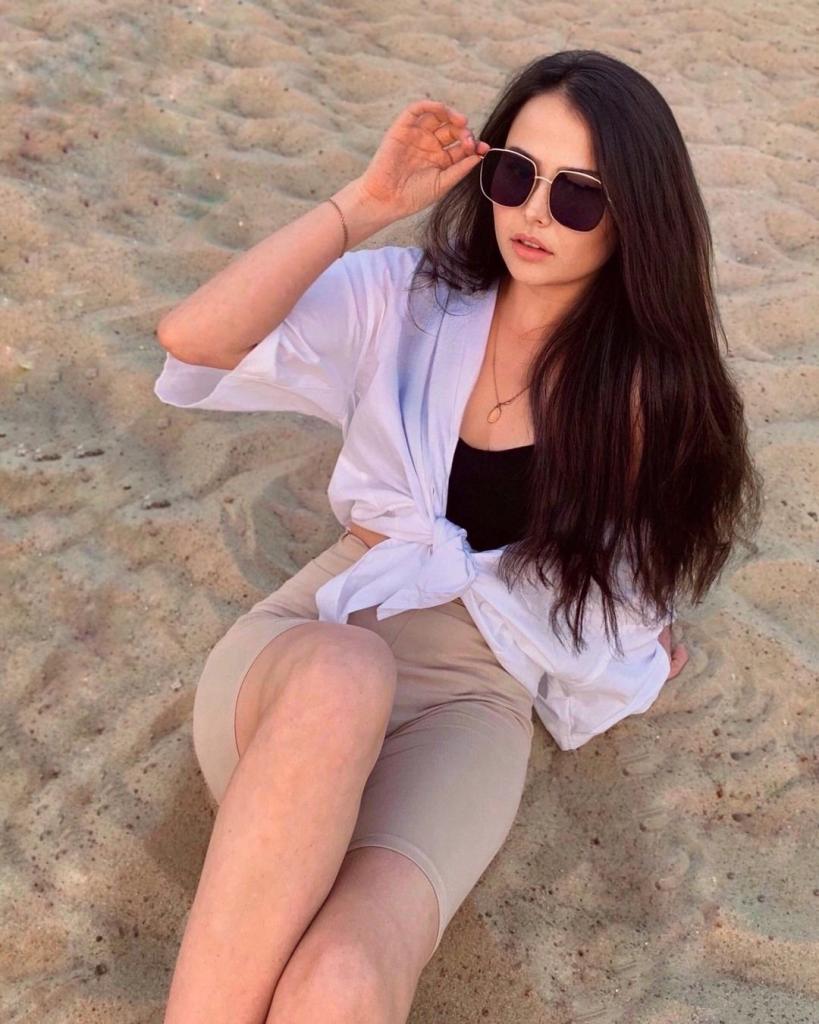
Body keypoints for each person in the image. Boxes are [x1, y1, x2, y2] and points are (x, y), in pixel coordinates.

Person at [155, 50, 762, 1024]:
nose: (534, 213)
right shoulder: (408, 298)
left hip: (474, 696)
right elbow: (196, 338)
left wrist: (643, 637)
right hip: (315, 659)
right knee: (344, 673)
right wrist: (362, 207)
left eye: (578, 195)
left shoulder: (652, 401)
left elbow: (642, 571)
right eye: (516, 175)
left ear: (635, 216)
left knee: (344, 979)